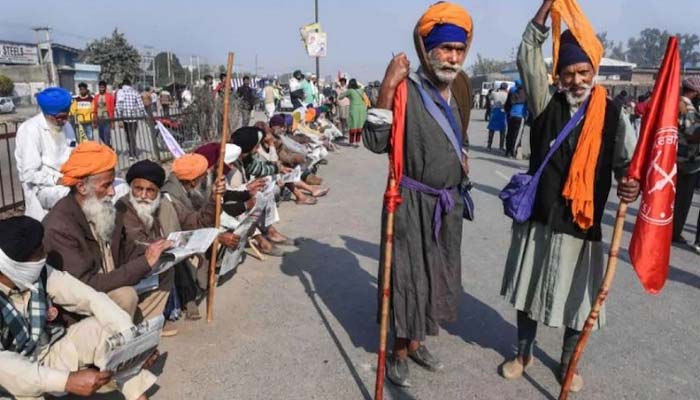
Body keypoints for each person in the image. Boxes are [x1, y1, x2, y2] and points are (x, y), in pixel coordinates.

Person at [499, 0, 640, 393]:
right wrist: (545, 11)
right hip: (541, 217)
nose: (577, 81)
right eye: (569, 73)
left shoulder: (614, 116)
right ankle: (523, 354)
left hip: (583, 225)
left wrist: (632, 184)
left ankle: (568, 363)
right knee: (527, 292)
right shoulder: (546, 104)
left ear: (593, 72)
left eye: (584, 72)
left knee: (580, 303)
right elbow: (528, 56)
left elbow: (627, 167)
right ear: (557, 76)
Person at [363, 2, 474, 387]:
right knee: (406, 277)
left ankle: (416, 341)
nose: (452, 57)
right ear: (428, 50)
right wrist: (387, 85)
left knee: (434, 276)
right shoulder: (406, 90)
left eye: (458, 50)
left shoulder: (458, 89)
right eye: (445, 49)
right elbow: (375, 142)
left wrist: (460, 157)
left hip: (447, 202)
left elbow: (454, 136)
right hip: (409, 202)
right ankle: (397, 350)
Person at [0, 216, 157, 400]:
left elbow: (90, 298)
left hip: (45, 352)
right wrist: (65, 381)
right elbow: (5, 366)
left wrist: (134, 345)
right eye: (37, 253)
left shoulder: (40, 272)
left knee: (107, 331)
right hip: (10, 380)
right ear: (10, 266)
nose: (44, 255)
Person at [42, 142, 174, 328]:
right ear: (81, 187)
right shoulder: (60, 227)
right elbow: (86, 285)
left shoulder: (101, 209)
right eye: (106, 185)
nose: (112, 192)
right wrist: (143, 263)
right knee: (126, 295)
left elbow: (125, 249)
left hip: (108, 283)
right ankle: (119, 346)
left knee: (164, 269)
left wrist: (152, 252)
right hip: (81, 303)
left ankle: (140, 332)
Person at [15, 87, 75, 221]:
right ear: (48, 114)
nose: (65, 121)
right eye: (61, 117)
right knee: (78, 198)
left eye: (67, 116)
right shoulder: (30, 130)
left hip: (66, 181)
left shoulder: (66, 126)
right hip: (42, 188)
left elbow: (71, 154)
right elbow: (29, 174)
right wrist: (58, 180)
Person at [672, 77, 700, 250]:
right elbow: (690, 134)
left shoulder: (677, 102)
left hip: (679, 158)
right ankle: (675, 232)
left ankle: (673, 229)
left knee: (677, 198)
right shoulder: (687, 107)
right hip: (687, 161)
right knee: (683, 200)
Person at [116, 78, 146, 161]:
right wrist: (144, 115)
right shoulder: (135, 92)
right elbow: (141, 105)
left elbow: (119, 106)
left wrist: (119, 118)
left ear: (123, 84)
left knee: (128, 135)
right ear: (130, 84)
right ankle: (133, 152)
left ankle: (131, 153)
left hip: (125, 118)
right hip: (134, 117)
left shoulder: (121, 92)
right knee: (133, 135)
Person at [338, 79, 368, 147]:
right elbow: (365, 98)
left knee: (352, 125)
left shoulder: (350, 91)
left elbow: (340, 97)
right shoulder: (361, 90)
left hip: (354, 109)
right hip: (362, 109)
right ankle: (357, 142)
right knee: (359, 125)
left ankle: (351, 142)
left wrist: (347, 96)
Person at [504, 80, 528, 158]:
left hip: (511, 115)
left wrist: (507, 112)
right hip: (520, 116)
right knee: (517, 135)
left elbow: (507, 104)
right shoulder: (526, 93)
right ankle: (512, 152)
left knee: (510, 133)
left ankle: (507, 151)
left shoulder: (512, 91)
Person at [92, 80, 115, 147]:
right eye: (100, 87)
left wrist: (112, 122)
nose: (101, 89)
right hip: (99, 118)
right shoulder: (96, 97)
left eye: (102, 87)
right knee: (101, 135)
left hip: (107, 118)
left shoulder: (109, 96)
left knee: (107, 135)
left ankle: (107, 149)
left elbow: (112, 109)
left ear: (105, 88)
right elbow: (95, 109)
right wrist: (94, 121)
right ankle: (108, 147)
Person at [487, 82, 509, 152]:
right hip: (503, 112)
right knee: (502, 131)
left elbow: (489, 97)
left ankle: (489, 146)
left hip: (495, 112)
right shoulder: (507, 95)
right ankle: (501, 147)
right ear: (506, 88)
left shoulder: (495, 93)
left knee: (491, 129)